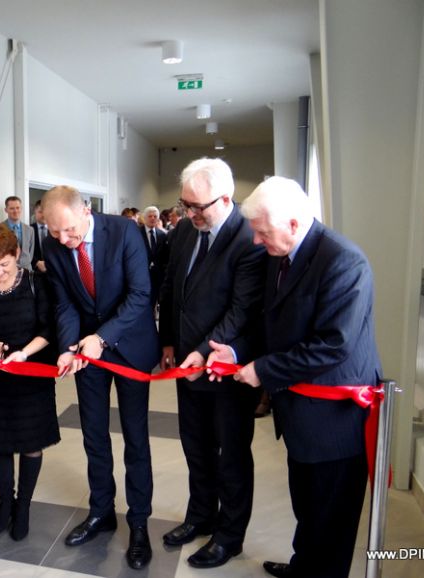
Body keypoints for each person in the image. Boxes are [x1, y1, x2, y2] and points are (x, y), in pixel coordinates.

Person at [208, 176, 382, 578]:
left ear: (292, 223)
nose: (255, 242)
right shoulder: (281, 256)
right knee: (307, 507)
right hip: (300, 416)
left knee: (331, 519)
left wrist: (262, 370)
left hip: (333, 423)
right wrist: (237, 352)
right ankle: (305, 567)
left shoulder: (343, 260)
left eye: (262, 232)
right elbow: (272, 324)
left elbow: (332, 345)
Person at [42, 185, 160, 570]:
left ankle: (139, 522)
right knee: (93, 434)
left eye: (69, 230)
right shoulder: (54, 245)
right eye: (54, 232)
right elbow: (65, 303)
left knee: (135, 437)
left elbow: (141, 294)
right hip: (86, 354)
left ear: (86, 211)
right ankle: (101, 511)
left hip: (129, 346)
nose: (63, 240)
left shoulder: (124, 231)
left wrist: (102, 337)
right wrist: (67, 345)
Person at [159, 158, 266, 569]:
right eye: (185, 205)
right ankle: (200, 515)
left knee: (232, 456)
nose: (190, 214)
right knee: (196, 448)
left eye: (198, 207)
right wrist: (167, 338)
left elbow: (241, 312)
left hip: (226, 370)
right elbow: (173, 286)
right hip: (187, 365)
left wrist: (203, 350)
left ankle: (229, 535)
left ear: (227, 198)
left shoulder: (247, 238)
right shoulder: (187, 229)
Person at [0, 223, 60, 541]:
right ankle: (5, 504)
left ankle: (23, 508)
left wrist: (23, 354)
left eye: (4, 265)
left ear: (17, 255)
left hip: (32, 374)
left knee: (31, 444)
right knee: (0, 441)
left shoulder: (36, 282)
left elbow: (49, 330)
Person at [139, 206, 167, 309]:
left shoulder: (162, 235)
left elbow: (165, 257)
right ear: (145, 218)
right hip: (142, 277)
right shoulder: (137, 233)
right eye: (150, 216)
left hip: (158, 278)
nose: (152, 218)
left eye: (155, 216)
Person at [3, 195, 34, 271]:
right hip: (7, 270)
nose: (15, 211)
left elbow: (31, 252)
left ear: (21, 209)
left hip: (27, 270)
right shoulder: (0, 228)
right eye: (12, 208)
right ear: (6, 210)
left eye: (17, 208)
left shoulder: (30, 230)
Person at [31, 199, 49, 273]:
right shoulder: (29, 230)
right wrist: (37, 262)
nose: (43, 215)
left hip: (53, 270)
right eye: (40, 212)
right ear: (35, 213)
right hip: (34, 271)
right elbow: (26, 251)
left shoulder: (55, 230)